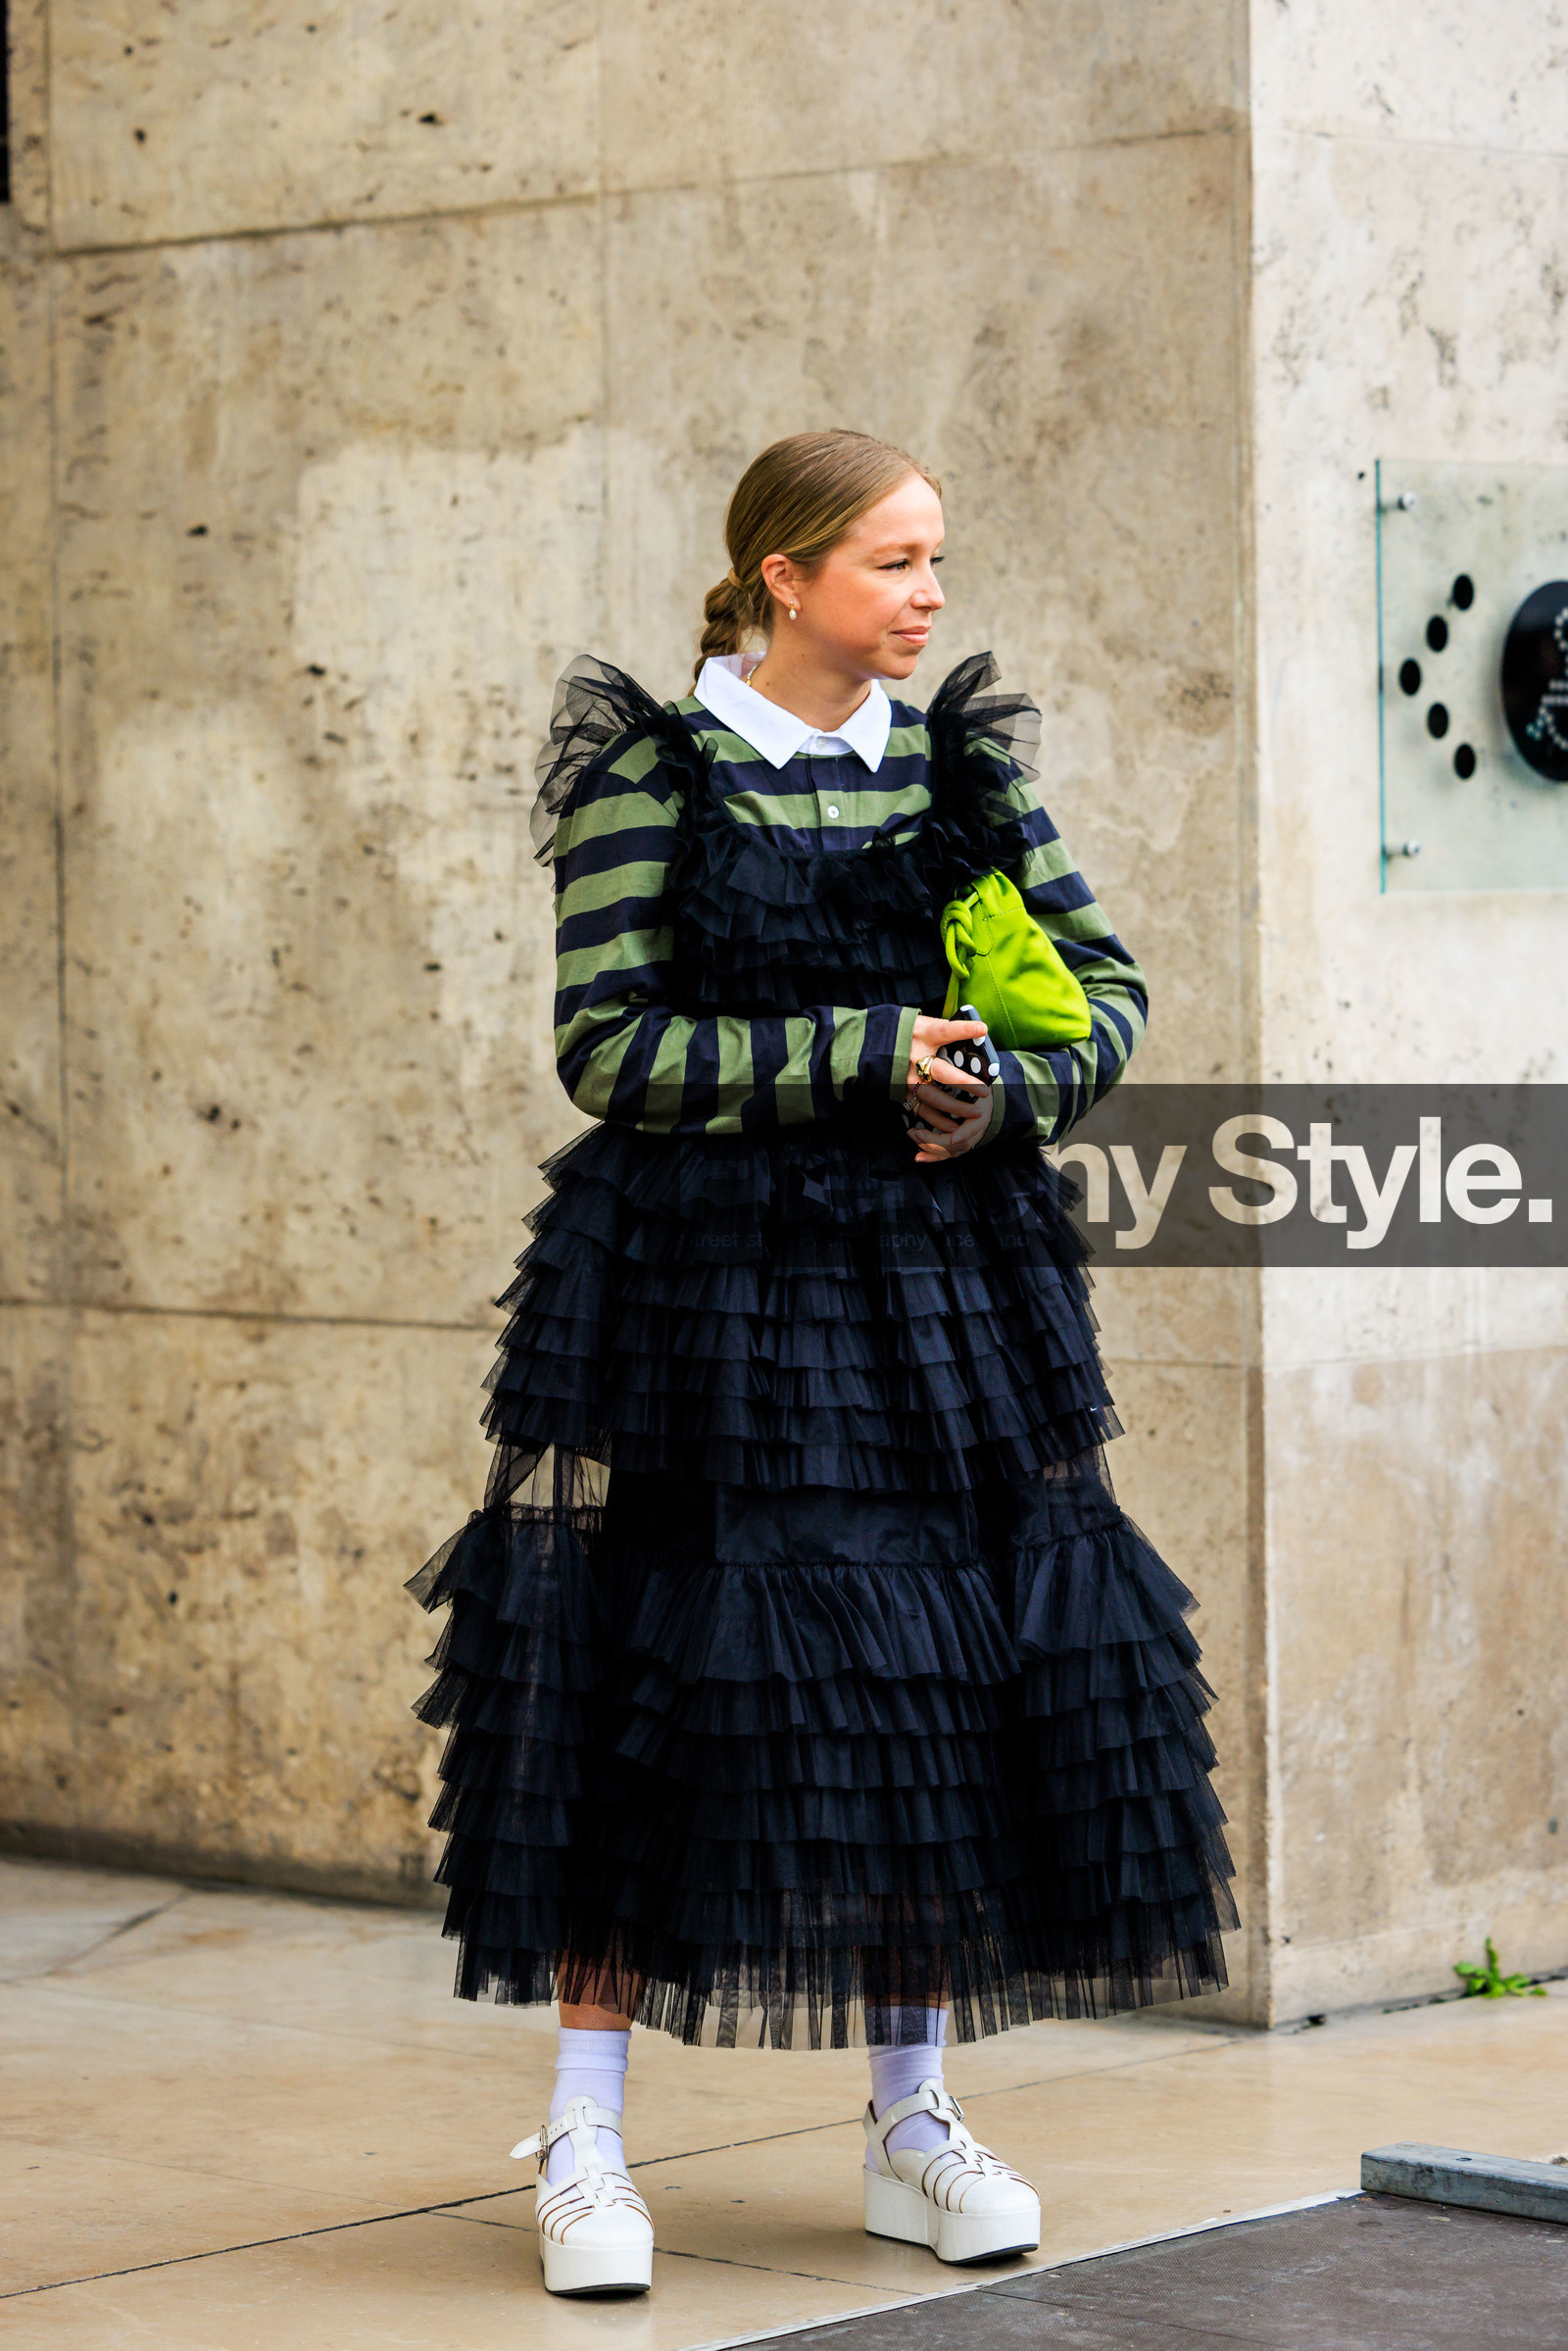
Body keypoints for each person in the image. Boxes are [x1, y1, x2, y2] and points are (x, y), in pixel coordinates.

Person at [411, 429, 1236, 2297]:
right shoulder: (659, 775)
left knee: (924, 1681)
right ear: (784, 576)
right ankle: (592, 2136)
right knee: (649, 1681)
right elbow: (606, 1047)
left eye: (936, 562)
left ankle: (909, 2121)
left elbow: (1106, 992)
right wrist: (860, 1053)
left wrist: (1008, 1091)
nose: (931, 597)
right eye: (895, 564)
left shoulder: (956, 768)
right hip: (701, 1306)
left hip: (945, 1300)